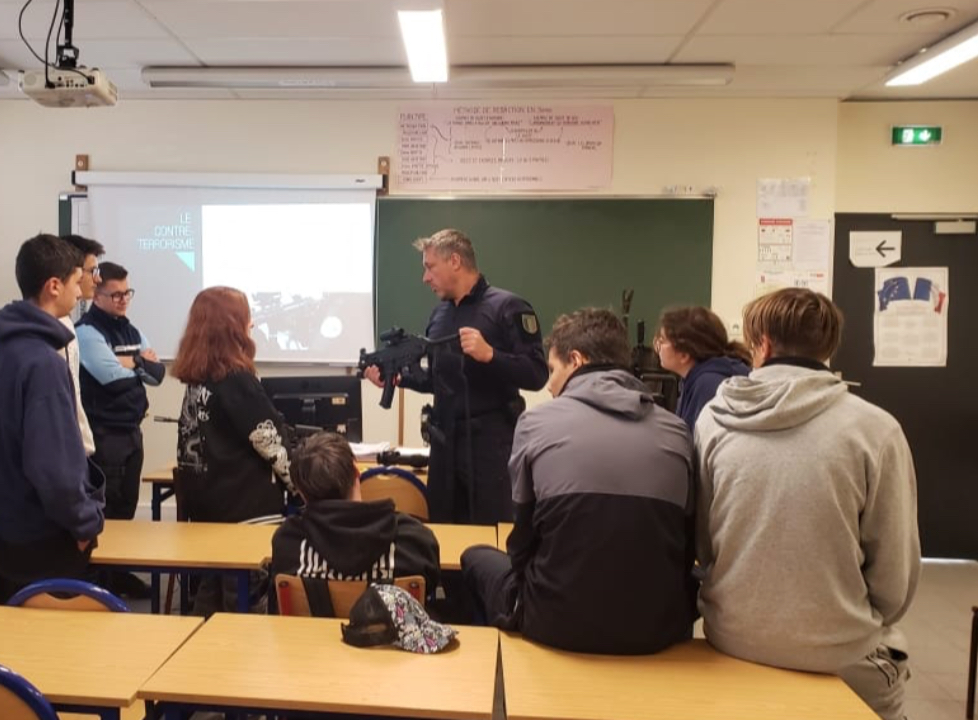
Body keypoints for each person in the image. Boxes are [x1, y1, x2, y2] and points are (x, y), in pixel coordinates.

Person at [694, 288, 919, 720]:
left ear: (762, 345)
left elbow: (704, 545)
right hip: (840, 658)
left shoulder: (714, 419)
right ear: (829, 348)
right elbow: (895, 579)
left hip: (732, 641)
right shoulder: (877, 429)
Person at [460, 307, 695, 654]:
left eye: (553, 371)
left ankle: (506, 668)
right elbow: (686, 544)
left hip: (555, 625)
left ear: (576, 360)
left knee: (475, 556)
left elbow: (521, 543)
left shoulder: (536, 424)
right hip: (658, 630)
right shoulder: (677, 431)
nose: (551, 387)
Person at [364, 228, 546, 524]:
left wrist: (491, 355)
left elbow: (537, 374)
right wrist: (399, 379)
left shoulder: (508, 308)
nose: (425, 277)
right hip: (445, 444)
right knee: (443, 529)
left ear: (455, 261)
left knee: (492, 534)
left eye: (429, 267)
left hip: (491, 446)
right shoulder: (438, 316)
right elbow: (438, 381)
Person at [0, 234, 105, 604]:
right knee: (53, 651)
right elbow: (53, 464)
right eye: (74, 280)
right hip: (44, 534)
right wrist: (83, 524)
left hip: (9, 528)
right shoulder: (43, 363)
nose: (81, 289)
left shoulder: (2, 349)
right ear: (54, 286)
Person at [173, 286, 294, 614]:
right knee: (246, 605)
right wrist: (305, 487)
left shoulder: (198, 380)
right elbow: (270, 442)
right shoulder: (236, 379)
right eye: (247, 316)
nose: (252, 324)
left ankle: (204, 659)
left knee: (212, 596)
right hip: (248, 513)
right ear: (231, 325)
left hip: (209, 509)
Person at [269, 432, 440, 610]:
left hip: (310, 638)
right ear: (357, 473)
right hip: (391, 637)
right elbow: (429, 590)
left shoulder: (288, 544)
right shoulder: (414, 541)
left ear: (301, 493)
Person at [76, 261, 164, 598]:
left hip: (131, 432)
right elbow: (109, 379)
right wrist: (138, 363)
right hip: (105, 435)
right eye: (115, 295)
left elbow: (157, 374)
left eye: (127, 293)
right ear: (96, 296)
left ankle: (118, 574)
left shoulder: (130, 330)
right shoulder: (86, 332)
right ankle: (100, 581)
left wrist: (136, 363)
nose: (123, 299)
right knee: (107, 509)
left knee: (126, 507)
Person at [654, 306, 751, 432]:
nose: (658, 346)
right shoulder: (695, 378)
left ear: (684, 355)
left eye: (662, 341)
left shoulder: (708, 385)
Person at [60, 233, 104, 457]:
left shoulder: (66, 322)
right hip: (66, 454)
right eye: (92, 271)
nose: (98, 279)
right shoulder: (54, 330)